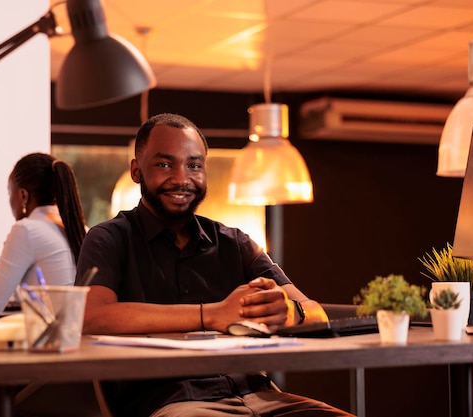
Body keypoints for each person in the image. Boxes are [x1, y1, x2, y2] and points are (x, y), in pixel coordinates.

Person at [75, 113, 354, 417]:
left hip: (260, 395)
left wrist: (291, 312)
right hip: (173, 404)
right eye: (164, 164)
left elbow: (316, 313)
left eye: (194, 165)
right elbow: (92, 316)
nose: (181, 178)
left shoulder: (235, 243)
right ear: (136, 171)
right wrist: (214, 314)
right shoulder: (108, 239)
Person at [0, 152, 87, 320]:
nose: (10, 201)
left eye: (10, 193)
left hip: (48, 341)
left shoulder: (27, 230)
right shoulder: (82, 230)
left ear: (23, 195)